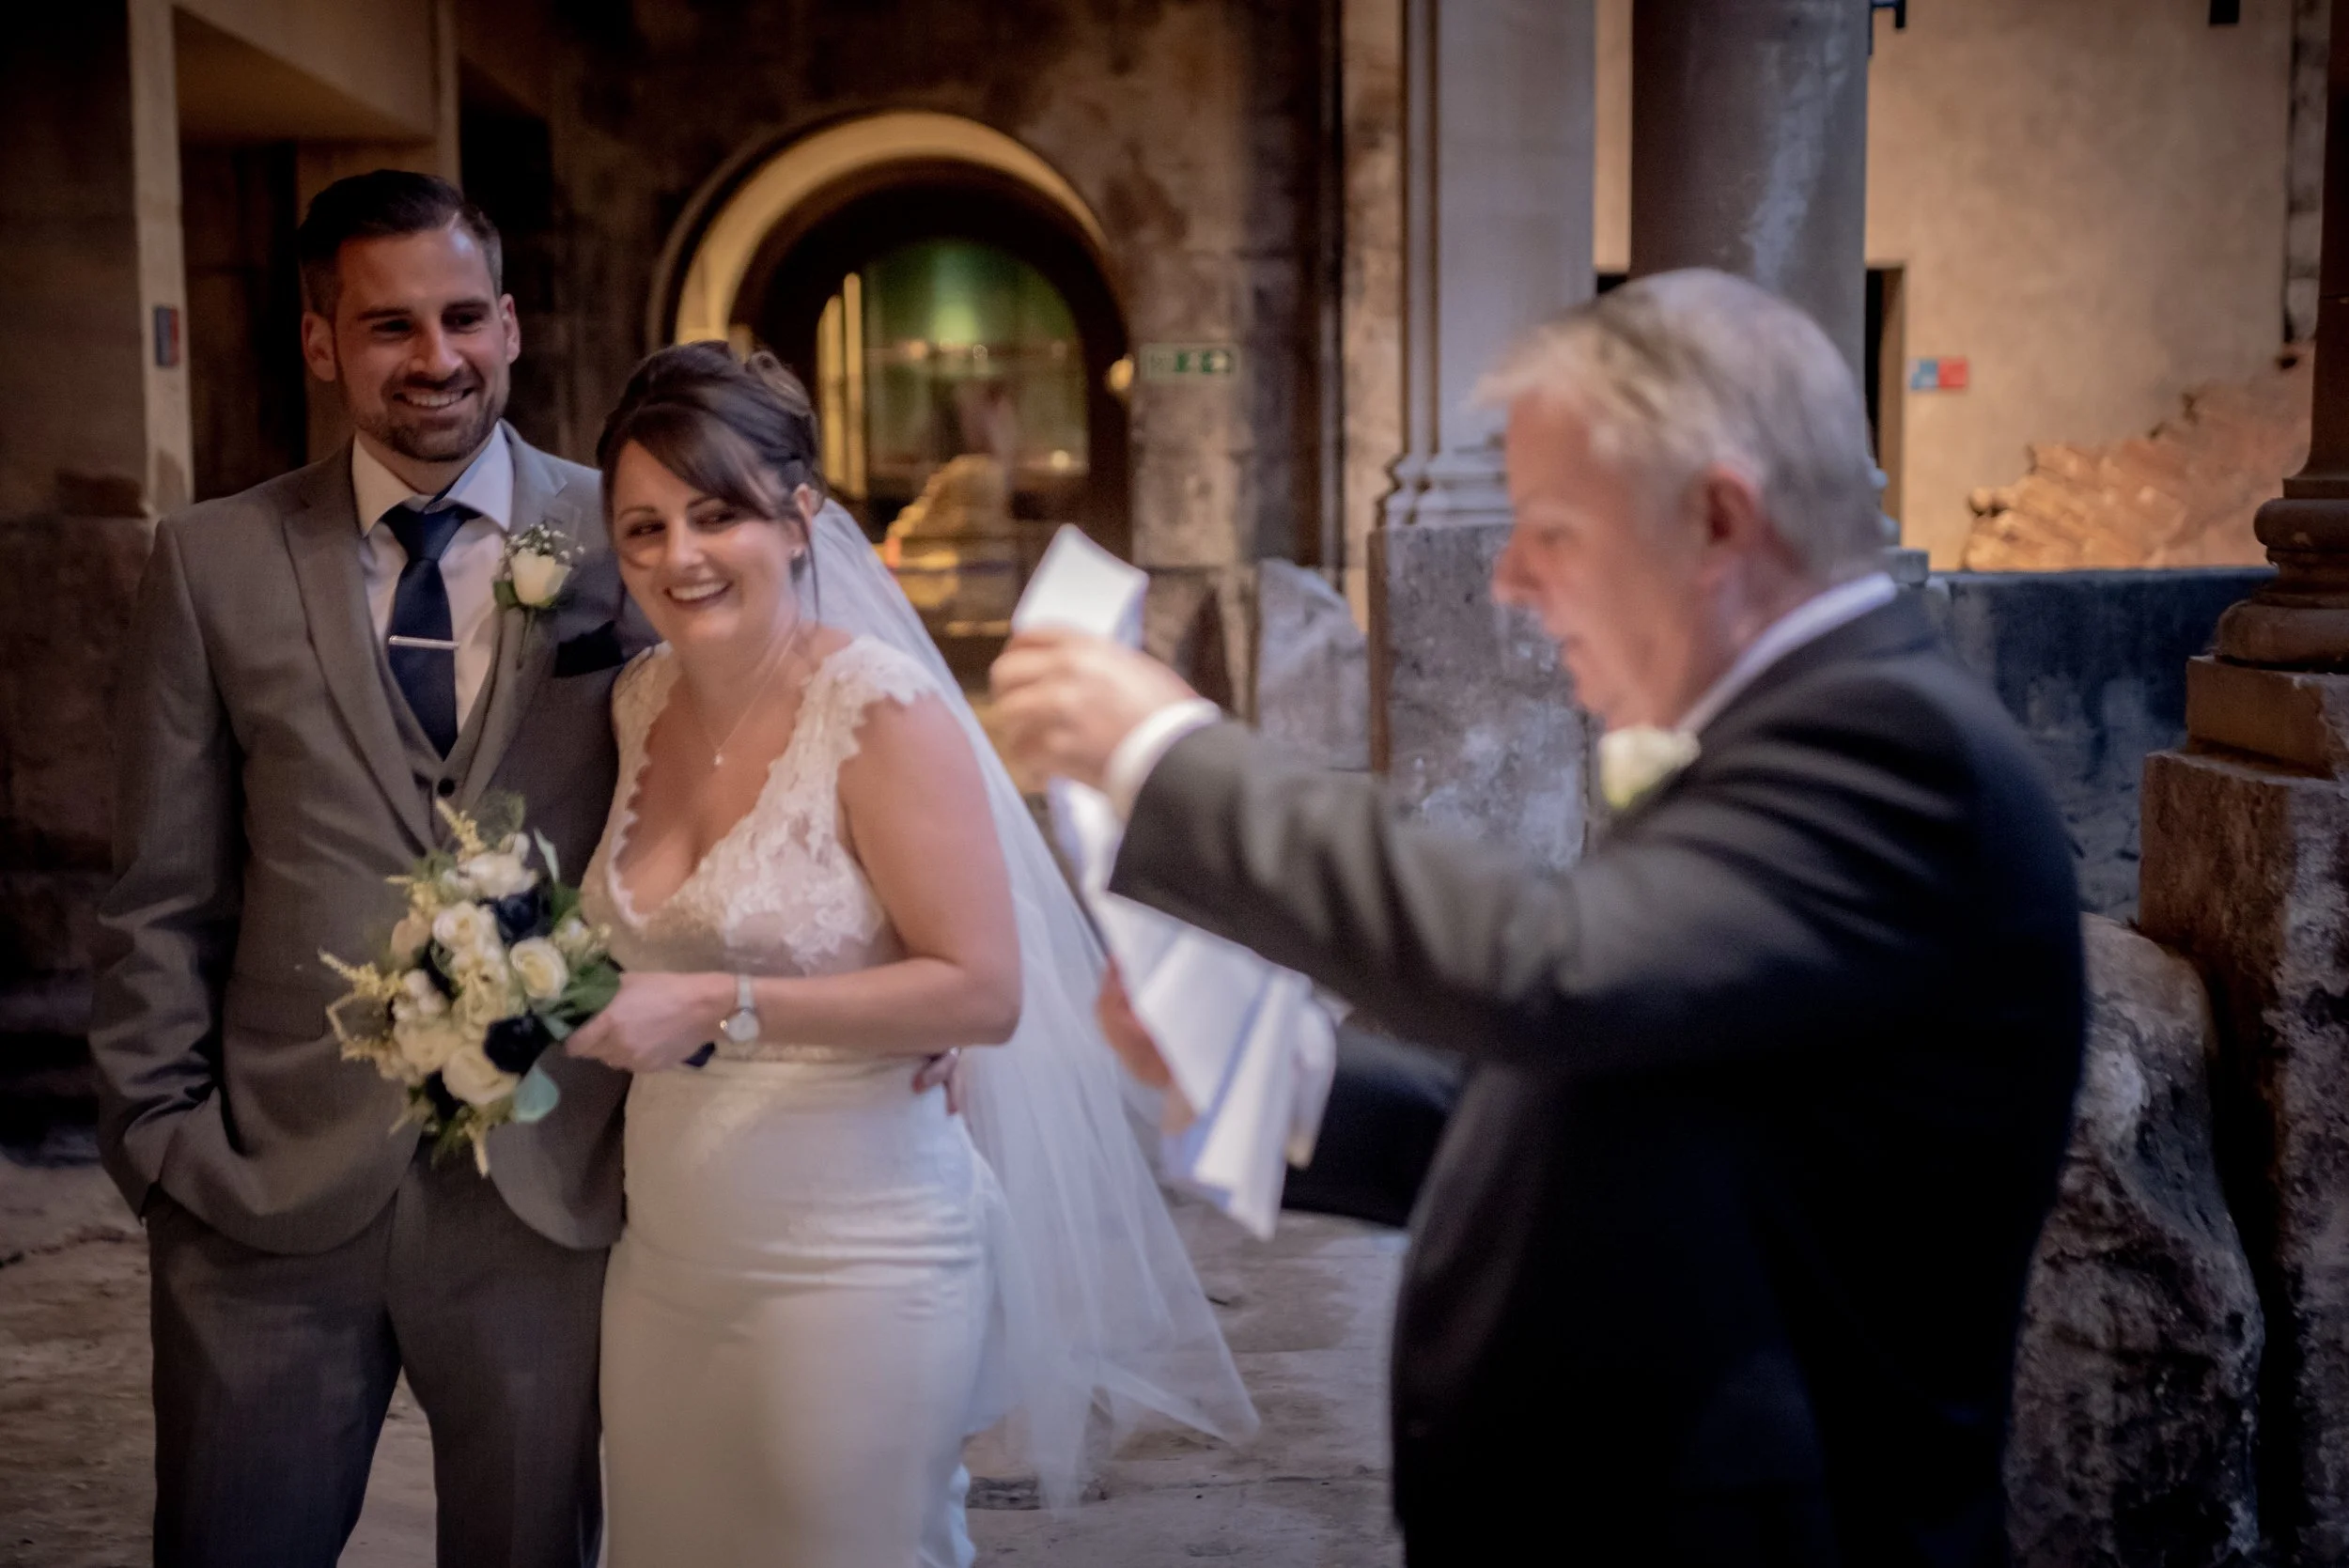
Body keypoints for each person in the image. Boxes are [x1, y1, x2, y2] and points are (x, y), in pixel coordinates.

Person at [992, 269, 2087, 1567]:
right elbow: (1609, 1093)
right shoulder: (1787, 732)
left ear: (1718, 520)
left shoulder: (1898, 753)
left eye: (1550, 529)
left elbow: (1552, 970)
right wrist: (1280, 1077)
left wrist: (1172, 757)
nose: (1509, 578)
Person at [564, 343, 1254, 1568]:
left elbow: (984, 990)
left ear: (800, 519)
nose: (679, 556)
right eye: (644, 528)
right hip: (667, 1254)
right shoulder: (636, 702)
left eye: (715, 514)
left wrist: (726, 1004)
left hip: (856, 1258)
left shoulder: (879, 708)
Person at [89, 170, 644, 1565]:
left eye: (464, 317)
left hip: (543, 1189)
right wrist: (158, 1146)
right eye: (390, 326)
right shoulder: (214, 559)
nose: (436, 358)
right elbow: (161, 885)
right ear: (323, 342)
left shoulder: (631, 540)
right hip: (261, 1200)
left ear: (512, 326)